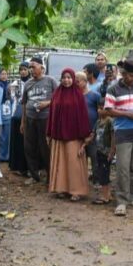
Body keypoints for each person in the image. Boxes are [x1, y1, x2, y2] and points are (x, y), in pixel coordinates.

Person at [104, 59, 133, 216]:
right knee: (123, 168)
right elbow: (108, 110)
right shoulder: (113, 89)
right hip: (123, 132)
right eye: (131, 75)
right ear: (123, 74)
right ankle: (121, 201)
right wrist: (128, 114)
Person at [46, 68, 91, 200]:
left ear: (73, 79)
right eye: (64, 78)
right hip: (58, 135)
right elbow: (51, 115)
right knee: (60, 162)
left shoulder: (78, 95)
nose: (66, 80)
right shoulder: (56, 94)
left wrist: (85, 135)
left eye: (69, 78)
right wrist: (49, 132)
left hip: (74, 135)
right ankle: (61, 188)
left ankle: (76, 191)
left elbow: (83, 116)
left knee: (73, 162)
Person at [21, 56, 56, 183]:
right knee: (29, 147)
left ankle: (50, 176)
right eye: (30, 67)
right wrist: (23, 122)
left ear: (41, 67)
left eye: (33, 67)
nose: (31, 70)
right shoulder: (28, 84)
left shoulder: (50, 81)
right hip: (30, 119)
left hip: (45, 119)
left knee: (45, 147)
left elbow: (59, 98)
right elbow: (24, 103)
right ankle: (34, 175)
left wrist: (47, 103)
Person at [78, 71, 102, 185]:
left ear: (85, 81)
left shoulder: (95, 95)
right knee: (81, 156)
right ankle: (82, 179)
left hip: (93, 131)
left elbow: (100, 113)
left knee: (94, 156)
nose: (76, 84)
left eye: (78, 81)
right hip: (78, 132)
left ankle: (97, 179)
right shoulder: (75, 96)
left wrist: (96, 130)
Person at [9, 62, 30, 175]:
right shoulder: (15, 83)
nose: (23, 72)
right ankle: (16, 166)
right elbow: (14, 98)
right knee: (16, 141)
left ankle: (27, 167)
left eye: (25, 69)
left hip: (28, 115)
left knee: (27, 142)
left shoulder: (32, 82)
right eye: (21, 70)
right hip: (16, 114)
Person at [90, 107, 114, 205]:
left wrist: (112, 151)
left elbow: (113, 136)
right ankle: (107, 194)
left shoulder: (110, 122)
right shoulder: (98, 122)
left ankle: (105, 196)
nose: (99, 110)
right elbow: (93, 134)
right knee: (102, 172)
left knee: (104, 173)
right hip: (99, 151)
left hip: (106, 152)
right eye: (98, 108)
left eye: (101, 108)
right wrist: (86, 141)